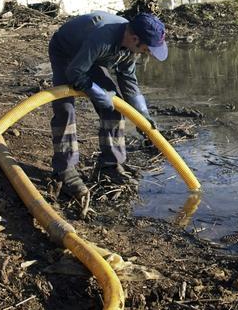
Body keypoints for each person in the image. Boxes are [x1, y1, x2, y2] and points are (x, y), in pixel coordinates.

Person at [48, 11, 167, 200]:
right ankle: (65, 169)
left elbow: (127, 79)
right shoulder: (103, 38)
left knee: (114, 108)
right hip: (66, 51)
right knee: (65, 109)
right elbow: (75, 71)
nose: (148, 53)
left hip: (90, 57)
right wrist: (96, 92)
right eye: (147, 49)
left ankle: (109, 165)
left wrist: (142, 114)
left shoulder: (129, 47)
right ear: (135, 38)